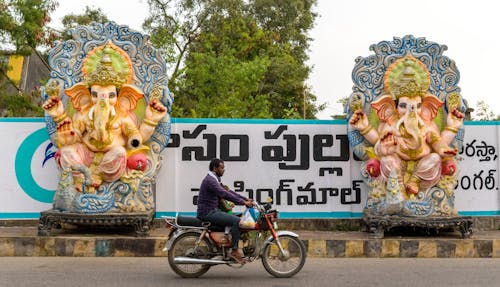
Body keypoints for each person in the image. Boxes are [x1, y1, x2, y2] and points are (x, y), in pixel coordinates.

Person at [197, 158, 253, 264]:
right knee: (236, 221)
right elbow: (225, 194)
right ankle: (235, 251)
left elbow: (229, 192)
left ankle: (227, 246)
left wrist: (246, 199)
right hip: (208, 212)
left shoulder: (215, 180)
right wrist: (243, 203)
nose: (224, 170)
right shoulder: (210, 181)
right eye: (222, 167)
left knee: (239, 217)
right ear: (215, 168)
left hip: (213, 211)